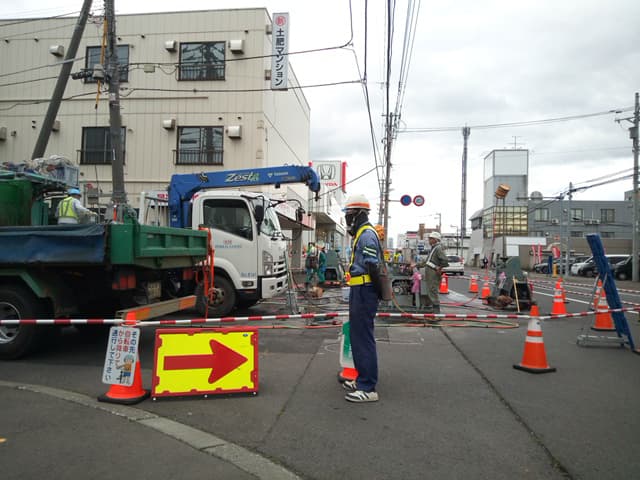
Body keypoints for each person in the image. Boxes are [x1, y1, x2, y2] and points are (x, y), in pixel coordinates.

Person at [342, 194, 383, 403]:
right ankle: (361, 379)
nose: (347, 218)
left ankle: (368, 387)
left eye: (349, 214)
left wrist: (377, 292)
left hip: (365, 290)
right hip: (359, 289)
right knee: (357, 336)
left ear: (359, 214)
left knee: (363, 337)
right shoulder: (360, 234)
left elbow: (372, 265)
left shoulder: (366, 235)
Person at [420, 231, 449, 314]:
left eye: (431, 239)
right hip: (431, 274)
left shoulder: (438, 248)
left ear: (436, 239)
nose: (429, 240)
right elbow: (427, 262)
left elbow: (445, 261)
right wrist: (416, 265)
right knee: (431, 291)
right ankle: (433, 311)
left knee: (433, 291)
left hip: (433, 274)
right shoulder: (433, 249)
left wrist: (439, 268)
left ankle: (436, 313)